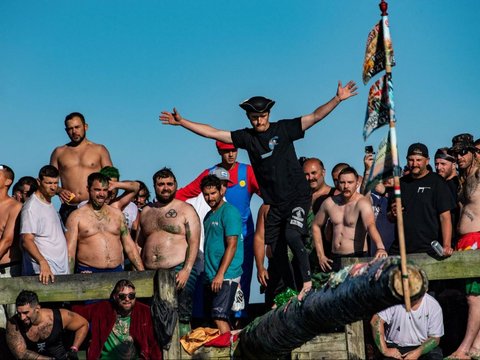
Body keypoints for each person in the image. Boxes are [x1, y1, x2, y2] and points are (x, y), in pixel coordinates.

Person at [160, 80, 358, 299]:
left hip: (296, 197)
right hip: (275, 203)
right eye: (254, 117)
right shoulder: (247, 138)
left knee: (292, 234)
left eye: (262, 116)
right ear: (249, 118)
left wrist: (338, 99)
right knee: (275, 248)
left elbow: (315, 116)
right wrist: (182, 122)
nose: (259, 120)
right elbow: (212, 133)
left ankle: (307, 282)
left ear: (269, 114)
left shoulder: (283, 129)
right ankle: (293, 289)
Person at [176, 140, 260, 319]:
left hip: (243, 236)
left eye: (233, 150)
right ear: (218, 152)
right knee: (212, 279)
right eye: (225, 151)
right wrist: (157, 205)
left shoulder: (247, 172)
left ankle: (239, 321)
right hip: (217, 234)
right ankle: (215, 324)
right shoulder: (209, 174)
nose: (230, 154)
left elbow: (269, 195)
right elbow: (186, 192)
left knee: (240, 281)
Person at [137, 167, 200, 334]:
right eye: (161, 184)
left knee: (181, 317)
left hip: (178, 269)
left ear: (176, 185)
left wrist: (187, 270)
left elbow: (194, 242)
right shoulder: (146, 212)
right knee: (153, 318)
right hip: (150, 273)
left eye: (169, 184)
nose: (165, 187)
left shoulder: (185, 209)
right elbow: (139, 244)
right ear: (155, 186)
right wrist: (138, 270)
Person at [311, 166, 388, 272]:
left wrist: (380, 247)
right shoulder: (330, 203)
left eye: (350, 182)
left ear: (356, 184)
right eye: (342, 182)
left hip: (357, 257)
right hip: (336, 258)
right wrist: (321, 255)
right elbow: (316, 225)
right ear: (338, 183)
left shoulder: (362, 202)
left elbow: (370, 225)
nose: (346, 186)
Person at [66, 172, 144, 274]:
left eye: (105, 190)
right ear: (88, 189)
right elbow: (70, 252)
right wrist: (69, 279)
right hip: (88, 272)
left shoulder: (117, 214)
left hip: (116, 271)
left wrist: (142, 272)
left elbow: (129, 246)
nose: (102, 194)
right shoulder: (76, 217)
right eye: (97, 190)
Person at [389, 143, 455, 256]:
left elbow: (445, 216)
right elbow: (389, 217)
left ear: (427, 160)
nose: (415, 164)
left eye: (419, 160)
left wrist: (447, 245)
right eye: (411, 160)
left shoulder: (437, 182)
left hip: (429, 250)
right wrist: (393, 213)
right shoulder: (400, 183)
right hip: (401, 250)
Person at [448, 133, 480, 359]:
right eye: (456, 153)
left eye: (463, 152)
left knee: (474, 298)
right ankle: (477, 346)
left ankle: (464, 348)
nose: (459, 157)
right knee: (474, 297)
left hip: (476, 239)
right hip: (463, 242)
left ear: (473, 152)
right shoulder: (461, 179)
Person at [72, 279, 162, 360]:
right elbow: (75, 312)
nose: (127, 299)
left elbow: (153, 344)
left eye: (131, 295)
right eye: (122, 296)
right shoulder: (102, 309)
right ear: (115, 297)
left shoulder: (144, 312)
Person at [50, 112, 113, 225]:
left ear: (85, 127)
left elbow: (112, 178)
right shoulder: (59, 152)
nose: (74, 131)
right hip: (68, 208)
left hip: (94, 207)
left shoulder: (99, 150)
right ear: (66, 131)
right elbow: (48, 180)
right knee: (68, 242)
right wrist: (59, 191)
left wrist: (108, 198)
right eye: (70, 129)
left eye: (77, 127)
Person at [201, 175, 243, 333]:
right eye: (206, 194)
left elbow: (232, 246)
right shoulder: (208, 216)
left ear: (221, 192)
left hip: (226, 275)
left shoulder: (229, 212)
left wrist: (220, 274)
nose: (210, 198)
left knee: (219, 316)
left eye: (213, 193)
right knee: (212, 321)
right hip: (211, 275)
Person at [20, 165, 69, 283]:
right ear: (39, 181)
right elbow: (27, 240)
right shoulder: (31, 207)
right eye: (48, 183)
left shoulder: (49, 203)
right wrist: (43, 262)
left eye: (55, 183)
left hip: (59, 272)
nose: (53, 187)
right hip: (43, 274)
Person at [6, 290, 88, 360]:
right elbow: (21, 354)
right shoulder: (14, 323)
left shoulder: (59, 316)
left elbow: (83, 324)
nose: (22, 317)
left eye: (25, 313)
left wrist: (74, 348)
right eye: (19, 313)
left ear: (37, 308)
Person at [370, 293, 444, 359]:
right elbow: (375, 321)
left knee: (435, 356)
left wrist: (418, 352)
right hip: (394, 346)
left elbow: (435, 338)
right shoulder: (393, 300)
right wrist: (385, 350)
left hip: (422, 345)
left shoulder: (433, 305)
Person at [302, 157, 336, 273]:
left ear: (323, 172)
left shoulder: (335, 195)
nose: (310, 178)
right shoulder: (300, 199)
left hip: (327, 260)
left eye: (313, 173)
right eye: (306, 174)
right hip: (304, 262)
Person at [0, 165, 22, 328]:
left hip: (10, 271)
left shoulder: (15, 206)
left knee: (15, 322)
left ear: (8, 181)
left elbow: (7, 240)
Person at [434, 147, 460, 247]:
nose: (438, 168)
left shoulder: (459, 185)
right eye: (436, 164)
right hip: (439, 241)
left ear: (453, 165)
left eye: (443, 164)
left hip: (455, 241)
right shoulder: (437, 185)